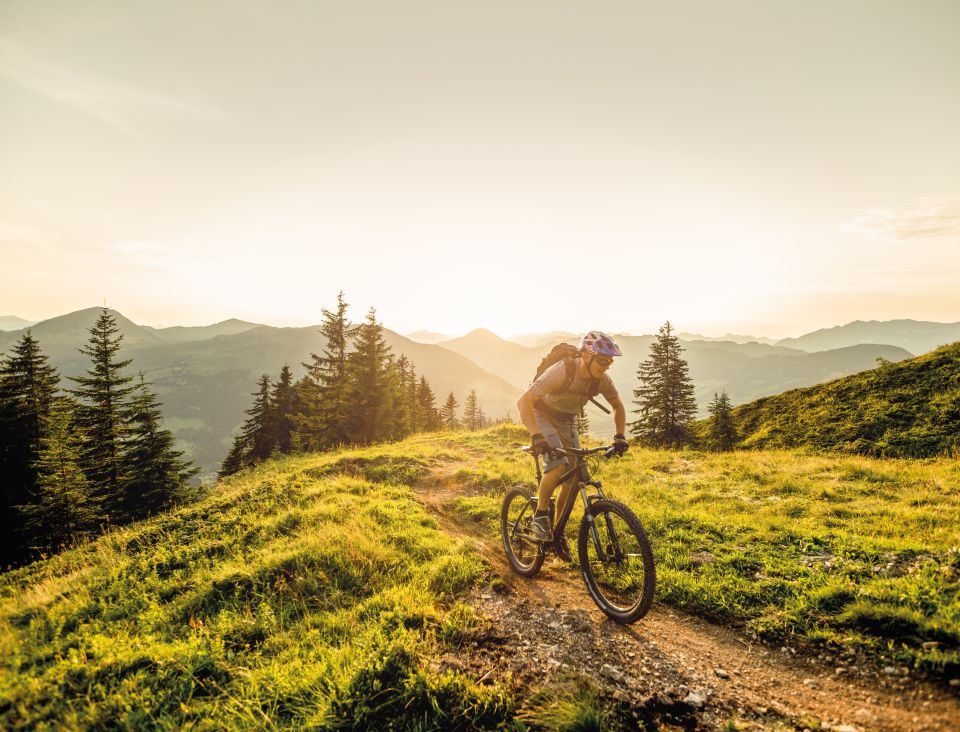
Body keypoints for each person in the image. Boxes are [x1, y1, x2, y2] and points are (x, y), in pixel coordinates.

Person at [516, 331, 629, 560]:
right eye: (603, 360)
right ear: (587, 355)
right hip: (543, 415)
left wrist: (619, 436)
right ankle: (540, 515)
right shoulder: (562, 370)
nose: (607, 365)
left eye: (610, 361)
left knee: (573, 478)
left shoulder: (601, 380)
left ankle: (557, 534)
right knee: (558, 465)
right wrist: (537, 436)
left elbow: (617, 405)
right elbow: (524, 401)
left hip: (567, 420)